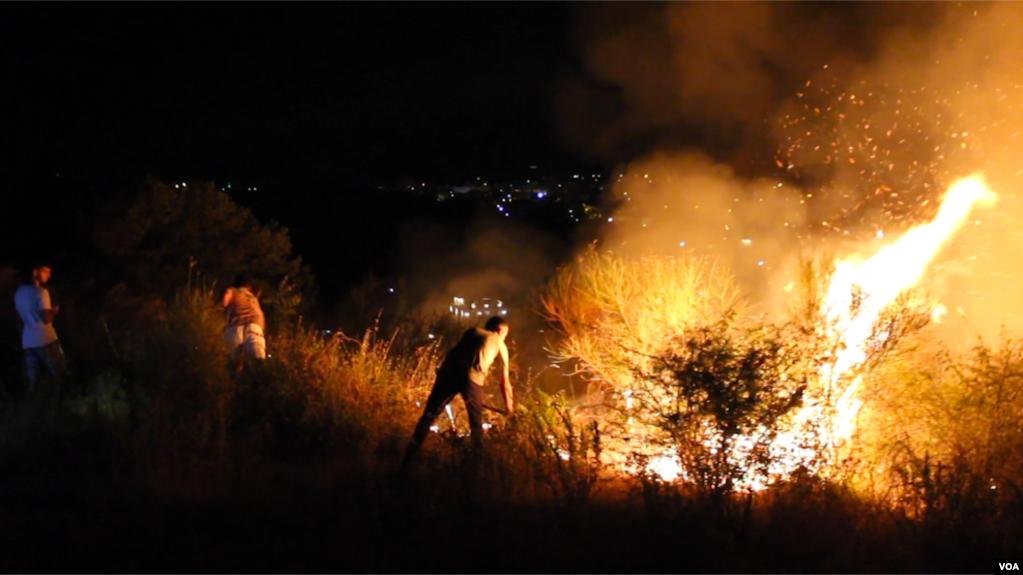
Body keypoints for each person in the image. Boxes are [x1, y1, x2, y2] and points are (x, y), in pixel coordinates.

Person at [401, 316, 513, 471]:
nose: (505, 338)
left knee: (429, 415)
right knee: (476, 425)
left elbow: (454, 353)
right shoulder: (500, 344)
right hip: (472, 379)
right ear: (500, 331)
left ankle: (408, 458)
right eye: (506, 335)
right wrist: (509, 408)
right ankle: (477, 467)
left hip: (448, 373)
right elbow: (505, 382)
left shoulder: (472, 332)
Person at [13, 263, 67, 402]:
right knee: (59, 373)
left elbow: (21, 317)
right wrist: (53, 312)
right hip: (45, 339)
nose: (49, 275)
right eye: (46, 272)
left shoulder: (19, 292)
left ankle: (32, 408)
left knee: (34, 379)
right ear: (35, 272)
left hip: (28, 341)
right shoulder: (41, 292)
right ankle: (57, 406)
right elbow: (47, 319)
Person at [222, 273, 266, 359]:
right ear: (249, 286)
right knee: (257, 362)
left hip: (235, 326)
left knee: (234, 362)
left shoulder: (232, 290)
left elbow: (225, 301)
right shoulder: (253, 298)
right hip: (255, 327)